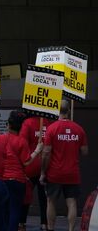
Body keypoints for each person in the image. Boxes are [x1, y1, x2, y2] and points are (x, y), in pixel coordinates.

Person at [42, 99, 89, 231]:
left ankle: (51, 228)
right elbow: (85, 151)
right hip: (72, 172)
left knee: (51, 201)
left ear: (57, 110)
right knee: (72, 202)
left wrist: (43, 172)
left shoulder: (51, 128)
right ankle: (70, 229)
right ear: (69, 110)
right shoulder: (79, 129)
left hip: (54, 173)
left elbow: (46, 152)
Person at [0, 110, 43, 231]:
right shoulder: (22, 142)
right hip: (17, 180)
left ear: (9, 125)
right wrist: (37, 150)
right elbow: (26, 162)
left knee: (3, 209)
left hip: (1, 179)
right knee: (15, 210)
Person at [19, 114, 53, 230]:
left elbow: (22, 143)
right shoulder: (48, 123)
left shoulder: (27, 123)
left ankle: (21, 222)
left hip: (30, 164)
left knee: (26, 196)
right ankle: (44, 223)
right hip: (45, 165)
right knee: (44, 197)